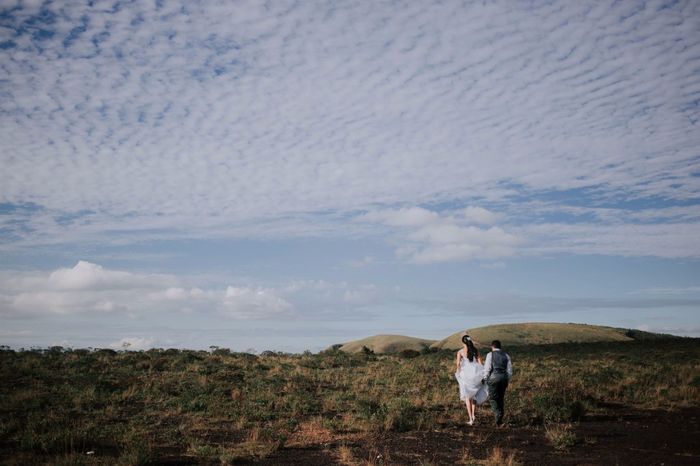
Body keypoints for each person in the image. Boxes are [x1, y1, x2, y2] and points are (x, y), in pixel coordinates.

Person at [454, 334, 488, 425]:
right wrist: (482, 373)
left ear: (462, 342)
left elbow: (458, 364)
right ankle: (473, 415)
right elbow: (480, 362)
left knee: (467, 397)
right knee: (473, 396)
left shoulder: (460, 352)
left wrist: (458, 373)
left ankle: (470, 419)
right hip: (475, 372)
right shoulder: (475, 350)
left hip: (466, 374)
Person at [481, 339, 512, 426]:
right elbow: (509, 370)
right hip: (504, 378)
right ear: (500, 346)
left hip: (493, 378)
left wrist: (484, 378)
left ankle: (498, 415)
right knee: (501, 398)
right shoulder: (506, 355)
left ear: (492, 346)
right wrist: (507, 379)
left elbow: (487, 368)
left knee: (493, 398)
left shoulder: (490, 355)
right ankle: (500, 417)